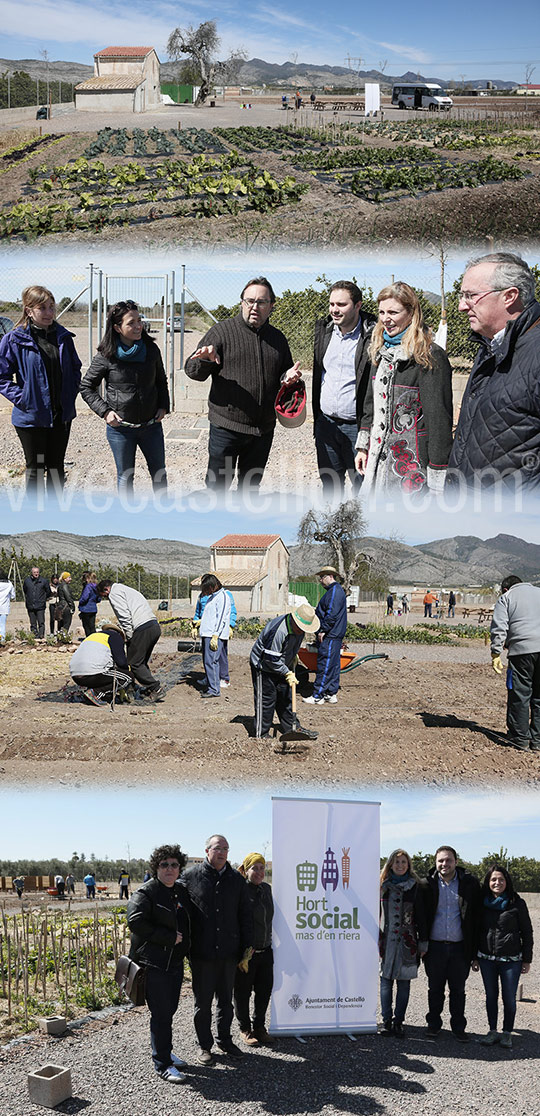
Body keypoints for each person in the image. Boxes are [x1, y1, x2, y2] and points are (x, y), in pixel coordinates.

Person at [185, 277, 300, 491]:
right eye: (249, 301)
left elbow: (285, 373)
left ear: (271, 306)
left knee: (249, 488)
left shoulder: (278, 339)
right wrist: (204, 361)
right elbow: (192, 372)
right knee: (217, 488)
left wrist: (288, 378)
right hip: (226, 428)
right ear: (241, 303)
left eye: (261, 302)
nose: (254, 307)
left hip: (263, 430)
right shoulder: (221, 332)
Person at [447, 252, 540, 489]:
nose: (461, 306)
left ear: (509, 296)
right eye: (462, 295)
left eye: (471, 296)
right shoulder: (490, 344)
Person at [355, 282, 453, 495]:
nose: (385, 319)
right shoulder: (378, 349)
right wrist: (363, 446)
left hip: (411, 466)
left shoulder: (429, 355)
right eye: (381, 312)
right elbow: (370, 404)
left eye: (393, 312)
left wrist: (437, 474)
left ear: (411, 313)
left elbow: (439, 420)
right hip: (376, 462)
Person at [80, 299, 169, 497]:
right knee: (125, 477)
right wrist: (105, 412)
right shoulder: (106, 356)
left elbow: (161, 381)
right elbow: (86, 387)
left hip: (151, 426)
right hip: (121, 431)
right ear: (117, 328)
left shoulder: (151, 350)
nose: (138, 326)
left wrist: (163, 406)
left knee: (159, 473)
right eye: (131, 323)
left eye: (139, 320)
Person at [0, 285, 81, 494]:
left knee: (56, 469)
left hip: (61, 415)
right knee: (35, 469)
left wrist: (70, 394)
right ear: (29, 310)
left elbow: (75, 368)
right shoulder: (14, 339)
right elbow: (2, 377)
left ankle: (55, 519)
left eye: (51, 307)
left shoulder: (63, 337)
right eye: (42, 308)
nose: (49, 313)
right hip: (31, 418)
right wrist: (24, 398)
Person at [180, 834, 253, 1064]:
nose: (222, 852)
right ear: (207, 851)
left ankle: (225, 1040)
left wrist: (245, 948)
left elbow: (245, 916)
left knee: (225, 1002)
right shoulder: (190, 877)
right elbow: (180, 912)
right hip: (202, 954)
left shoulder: (236, 880)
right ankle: (204, 1046)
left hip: (229, 953)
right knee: (202, 1004)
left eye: (226, 849)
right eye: (218, 848)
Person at [128, 844, 190, 1083]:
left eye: (174, 865)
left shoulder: (178, 891)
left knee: (169, 1011)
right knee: (161, 1013)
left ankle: (165, 1052)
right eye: (164, 865)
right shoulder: (146, 893)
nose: (170, 869)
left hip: (174, 962)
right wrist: (169, 938)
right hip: (153, 963)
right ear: (156, 867)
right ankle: (162, 1063)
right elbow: (136, 923)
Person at [312, 281, 376, 498]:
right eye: (331, 304)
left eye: (341, 304)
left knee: (362, 487)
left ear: (357, 305)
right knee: (330, 486)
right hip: (326, 425)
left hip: (357, 428)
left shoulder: (372, 336)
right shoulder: (324, 331)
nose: (334, 310)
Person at [422, 845, 481, 1041]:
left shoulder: (469, 884)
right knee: (435, 989)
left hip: (459, 948)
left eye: (448, 860)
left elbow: (476, 918)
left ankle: (458, 1027)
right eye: (440, 860)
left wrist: (474, 952)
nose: (444, 864)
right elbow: (420, 917)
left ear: (456, 861)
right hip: (435, 947)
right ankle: (433, 1025)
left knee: (458, 990)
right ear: (435, 862)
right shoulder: (427, 884)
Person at [472, 864, 533, 1050]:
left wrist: (527, 959)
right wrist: (474, 956)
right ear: (488, 882)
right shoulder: (482, 902)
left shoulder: (517, 903)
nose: (497, 882)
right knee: (491, 996)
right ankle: (492, 1030)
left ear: (507, 882)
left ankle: (507, 1033)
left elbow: (527, 932)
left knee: (509, 997)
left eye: (501, 879)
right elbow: (475, 930)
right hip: (486, 959)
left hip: (511, 961)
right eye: (493, 879)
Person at [250, 603, 320, 740]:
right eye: (300, 628)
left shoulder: (299, 629)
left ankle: (292, 728)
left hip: (282, 664)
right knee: (266, 699)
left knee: (286, 697)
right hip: (263, 665)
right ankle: (261, 734)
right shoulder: (279, 631)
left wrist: (292, 657)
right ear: (294, 620)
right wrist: (286, 672)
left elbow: (291, 647)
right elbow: (270, 659)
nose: (301, 631)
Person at [379, 849, 428, 1036]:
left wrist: (423, 943)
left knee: (404, 983)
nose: (400, 865)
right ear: (390, 864)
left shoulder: (415, 887)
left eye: (403, 862)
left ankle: (399, 1021)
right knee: (385, 982)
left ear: (409, 865)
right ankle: (386, 1021)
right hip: (386, 941)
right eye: (397, 862)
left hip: (408, 942)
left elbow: (422, 916)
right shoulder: (382, 886)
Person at [490, 574, 540, 752]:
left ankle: (520, 739)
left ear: (505, 588)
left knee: (519, 694)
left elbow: (499, 626)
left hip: (521, 651)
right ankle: (538, 740)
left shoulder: (507, 597)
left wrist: (496, 652)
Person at [96, 580, 164, 701]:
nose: (106, 598)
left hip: (142, 628)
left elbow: (124, 616)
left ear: (106, 589)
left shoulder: (114, 594)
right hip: (153, 626)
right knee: (141, 662)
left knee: (134, 663)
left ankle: (155, 688)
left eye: (104, 595)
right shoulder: (125, 589)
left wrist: (128, 636)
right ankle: (146, 689)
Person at [234, 853, 274, 1046]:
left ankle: (260, 1027)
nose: (259, 872)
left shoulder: (267, 889)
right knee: (242, 993)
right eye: (254, 868)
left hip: (266, 950)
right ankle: (245, 1029)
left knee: (264, 991)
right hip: (246, 954)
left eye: (261, 868)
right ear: (246, 869)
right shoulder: (240, 890)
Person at [303, 567, 348, 706]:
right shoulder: (335, 591)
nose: (321, 581)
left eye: (322, 577)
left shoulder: (334, 592)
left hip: (330, 634)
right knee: (333, 665)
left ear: (330, 576)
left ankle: (318, 695)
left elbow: (331, 613)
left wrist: (323, 630)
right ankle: (331, 693)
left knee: (325, 664)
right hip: (334, 634)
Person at [69, 621, 132, 706]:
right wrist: (124, 685)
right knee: (128, 677)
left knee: (105, 672)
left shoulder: (93, 636)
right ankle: (95, 693)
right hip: (92, 673)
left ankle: (90, 692)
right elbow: (121, 662)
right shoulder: (115, 636)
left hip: (76, 675)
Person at [193, 575, 236, 692]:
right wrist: (198, 623)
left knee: (212, 661)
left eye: (206, 589)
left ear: (213, 587)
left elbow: (222, 617)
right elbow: (209, 615)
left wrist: (216, 635)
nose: (204, 592)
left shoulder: (223, 597)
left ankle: (214, 689)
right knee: (209, 661)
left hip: (214, 634)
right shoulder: (212, 597)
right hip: (208, 633)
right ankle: (212, 684)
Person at [22, 566, 51, 639]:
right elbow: (25, 590)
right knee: (33, 623)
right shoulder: (27, 581)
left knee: (41, 622)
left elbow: (48, 592)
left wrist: (43, 599)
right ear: (32, 573)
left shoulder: (43, 581)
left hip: (40, 605)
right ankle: (34, 636)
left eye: (37, 572)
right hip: (30, 605)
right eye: (34, 572)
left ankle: (41, 636)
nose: (36, 574)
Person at [78, 571, 98, 637]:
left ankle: (89, 640)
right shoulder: (97, 587)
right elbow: (99, 598)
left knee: (86, 626)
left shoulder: (88, 587)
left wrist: (80, 602)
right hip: (93, 608)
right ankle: (94, 640)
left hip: (86, 609)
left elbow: (85, 597)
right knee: (92, 626)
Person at [0, 569, 15, 644]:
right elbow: (13, 596)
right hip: (4, 607)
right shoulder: (9, 584)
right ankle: (2, 639)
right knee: (2, 624)